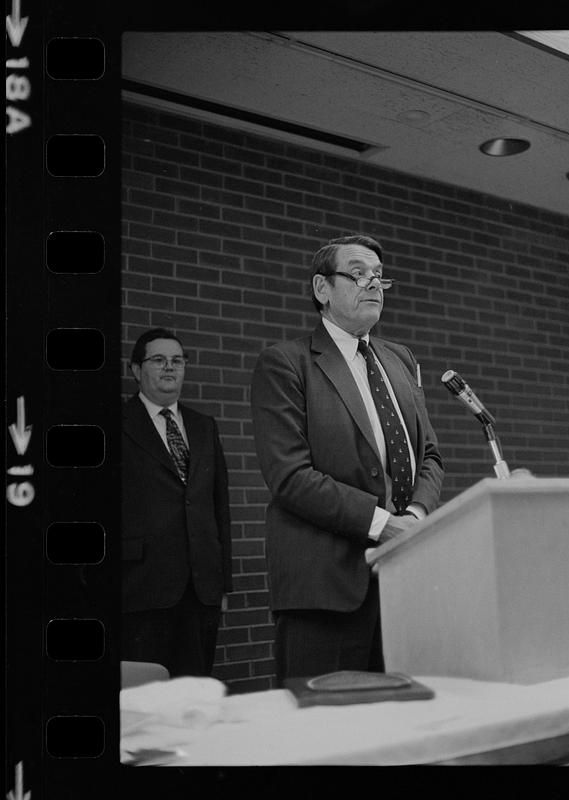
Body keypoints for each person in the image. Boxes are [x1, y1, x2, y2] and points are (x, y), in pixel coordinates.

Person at [251, 235, 444, 683]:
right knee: (328, 737)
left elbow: (429, 454)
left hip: (403, 583)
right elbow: (290, 476)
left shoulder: (399, 358)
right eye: (358, 273)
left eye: (380, 276)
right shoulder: (285, 363)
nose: (373, 283)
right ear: (322, 288)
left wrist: (414, 516)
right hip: (326, 589)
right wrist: (383, 524)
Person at [121, 327, 232, 677]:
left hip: (201, 592)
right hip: (140, 590)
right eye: (158, 360)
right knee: (146, 700)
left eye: (177, 361)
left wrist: (222, 584)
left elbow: (220, 509)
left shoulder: (203, 427)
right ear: (136, 370)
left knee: (195, 694)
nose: (169, 367)